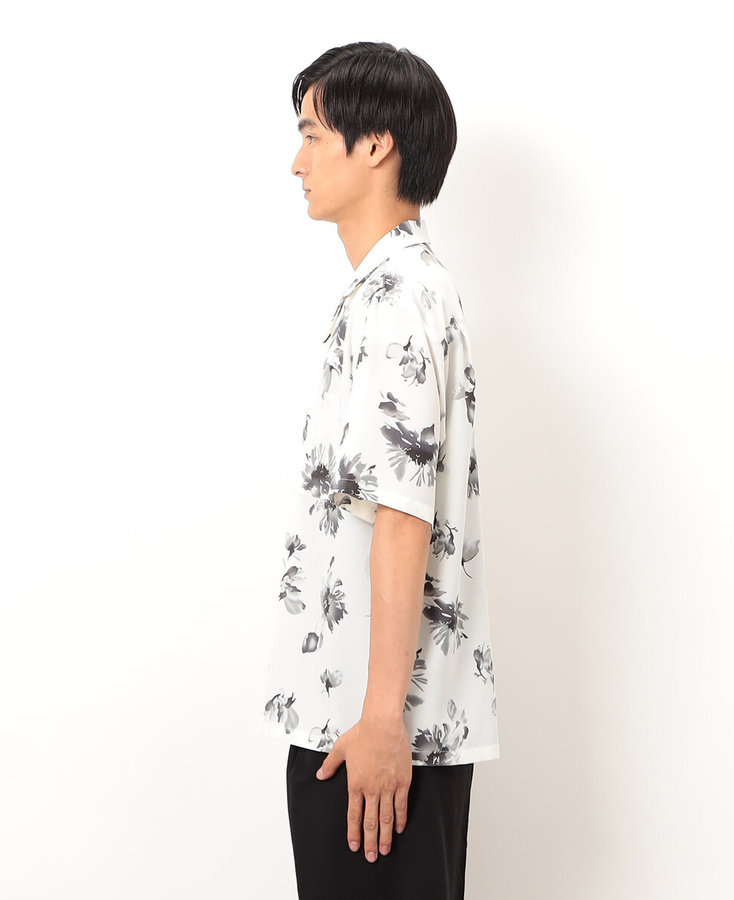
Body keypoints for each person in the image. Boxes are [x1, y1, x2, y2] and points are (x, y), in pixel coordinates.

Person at [256, 41, 500, 899]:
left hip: (371, 735)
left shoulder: (398, 297)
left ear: (376, 144)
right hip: (366, 723)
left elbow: (401, 511)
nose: (297, 162)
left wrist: (383, 720)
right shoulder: (393, 290)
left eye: (311, 135)